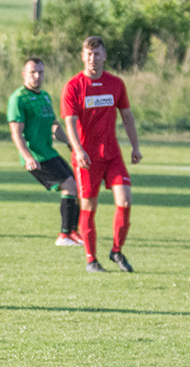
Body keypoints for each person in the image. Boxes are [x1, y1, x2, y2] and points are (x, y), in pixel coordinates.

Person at [61, 36, 142, 273]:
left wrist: (135, 147)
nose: (92, 59)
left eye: (96, 54)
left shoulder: (116, 84)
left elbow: (127, 116)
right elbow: (70, 123)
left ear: (104, 55)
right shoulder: (73, 86)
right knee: (90, 206)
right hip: (87, 158)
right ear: (82, 56)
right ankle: (90, 259)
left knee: (125, 200)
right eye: (88, 54)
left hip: (112, 155)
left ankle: (116, 251)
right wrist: (78, 150)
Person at [8, 57, 83, 246]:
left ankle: (73, 232)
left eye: (40, 72)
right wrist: (27, 157)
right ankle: (64, 235)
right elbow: (16, 133)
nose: (37, 76)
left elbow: (54, 126)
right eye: (33, 72)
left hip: (49, 152)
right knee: (70, 186)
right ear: (24, 74)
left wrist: (70, 143)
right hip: (37, 156)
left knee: (78, 186)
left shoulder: (45, 96)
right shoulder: (18, 98)